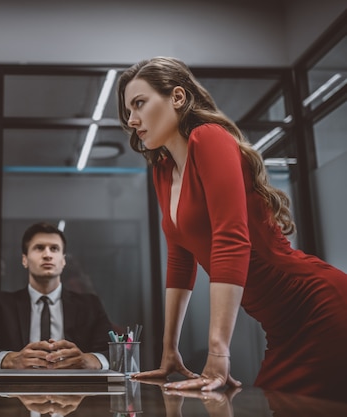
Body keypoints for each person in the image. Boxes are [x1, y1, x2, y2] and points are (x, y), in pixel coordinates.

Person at [115, 56, 347, 402]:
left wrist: (218, 353)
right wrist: (169, 352)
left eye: (139, 104)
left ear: (177, 97)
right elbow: (180, 260)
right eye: (127, 111)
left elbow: (231, 239)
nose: (132, 120)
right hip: (280, 328)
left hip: (317, 307)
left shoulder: (209, 138)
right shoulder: (163, 170)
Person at [0, 222, 113, 370]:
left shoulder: (90, 305)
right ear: (24, 260)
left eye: (54, 248)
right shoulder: (1, 303)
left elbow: (113, 352)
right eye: (39, 248)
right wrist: (11, 360)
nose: (47, 255)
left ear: (63, 260)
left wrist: (90, 360)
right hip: (16, 390)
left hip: (76, 390)